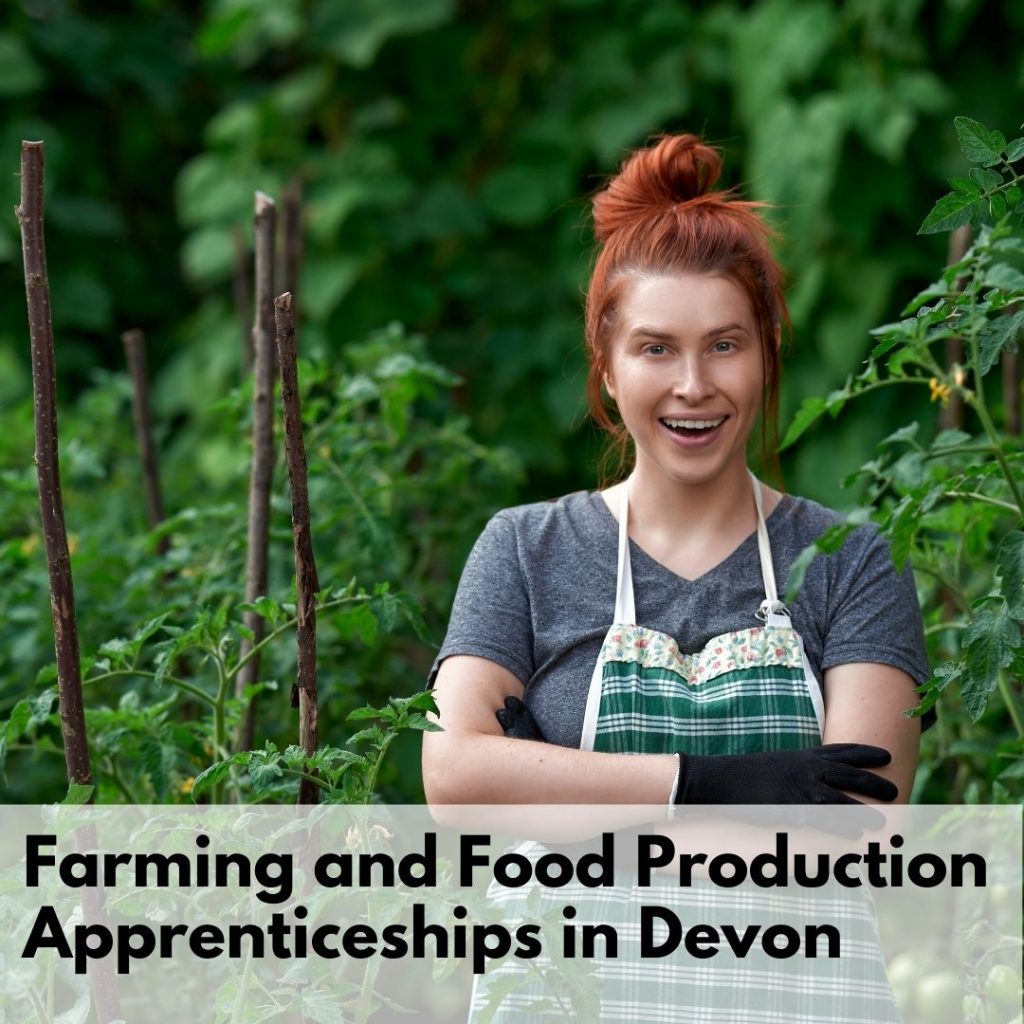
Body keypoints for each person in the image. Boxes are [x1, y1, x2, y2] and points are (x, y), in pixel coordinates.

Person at [422, 133, 931, 1021]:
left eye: (724, 344)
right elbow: (457, 785)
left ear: (766, 353)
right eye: (656, 349)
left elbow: (857, 841)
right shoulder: (525, 550)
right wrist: (718, 783)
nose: (694, 385)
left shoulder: (850, 560)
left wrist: (557, 802)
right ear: (607, 370)